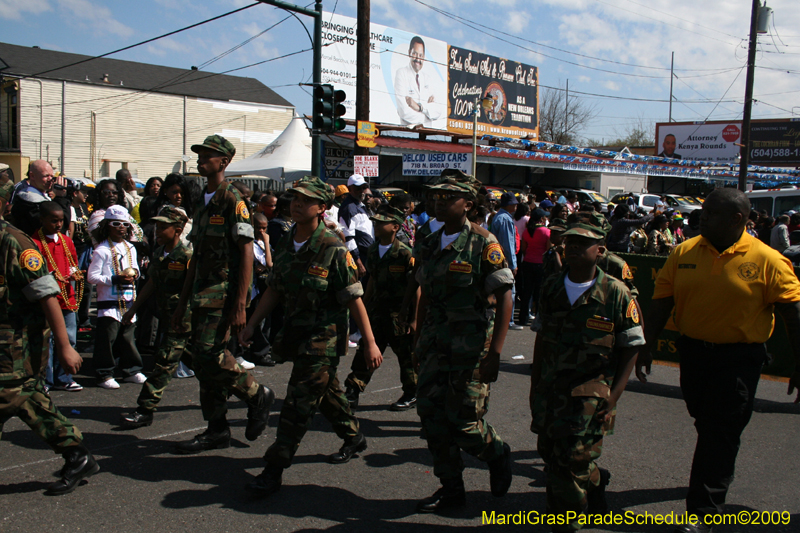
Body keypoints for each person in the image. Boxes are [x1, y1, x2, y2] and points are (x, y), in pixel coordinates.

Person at [636, 188, 800, 533]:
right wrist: (645, 346)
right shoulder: (683, 252)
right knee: (705, 421)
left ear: (736, 219)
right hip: (694, 354)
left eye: (710, 213)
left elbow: (793, 315)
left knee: (719, 431)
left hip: (739, 359)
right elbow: (660, 303)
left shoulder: (769, 259)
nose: (702, 218)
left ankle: (703, 512)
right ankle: (714, 472)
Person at [238, 176, 382, 497]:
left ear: (322, 208)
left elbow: (353, 297)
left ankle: (274, 468)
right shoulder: (289, 240)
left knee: (297, 403)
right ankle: (353, 436)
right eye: (294, 199)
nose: (297, 204)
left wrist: (370, 342)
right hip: (296, 335)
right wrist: (252, 324)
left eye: (305, 200)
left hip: (324, 340)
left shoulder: (333, 248)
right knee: (328, 393)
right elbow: (275, 288)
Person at [530, 217, 643, 531]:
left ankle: (564, 525)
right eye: (570, 243)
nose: (574, 248)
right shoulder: (552, 286)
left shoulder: (616, 293)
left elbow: (631, 346)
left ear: (601, 250)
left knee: (570, 464)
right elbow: (541, 338)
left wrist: (614, 395)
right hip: (551, 389)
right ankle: (595, 481)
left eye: (583, 244)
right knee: (552, 455)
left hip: (592, 393)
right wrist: (534, 384)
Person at [413, 170, 514, 513]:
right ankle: (451, 488)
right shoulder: (428, 241)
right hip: (433, 345)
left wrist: (495, 353)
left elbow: (505, 297)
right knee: (431, 417)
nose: (437, 203)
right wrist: (416, 333)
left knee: (465, 422)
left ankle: (497, 454)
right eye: (434, 198)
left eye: (447, 198)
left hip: (470, 349)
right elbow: (425, 291)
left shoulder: (484, 243)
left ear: (468, 205)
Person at [171, 135, 273, 454]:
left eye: (208, 155)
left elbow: (245, 252)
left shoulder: (232, 200)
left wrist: (240, 304)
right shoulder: (203, 199)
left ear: (224, 162)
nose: (201, 159)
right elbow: (196, 256)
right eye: (200, 154)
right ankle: (217, 428)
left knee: (207, 354)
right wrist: (181, 302)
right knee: (203, 364)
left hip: (224, 293)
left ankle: (256, 394)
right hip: (200, 294)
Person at [0, 209, 100, 495]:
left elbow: (47, 294)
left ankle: (77, 454)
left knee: (16, 397)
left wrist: (66, 346)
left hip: (17, 347)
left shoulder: (14, 243)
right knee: (26, 399)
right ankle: (77, 456)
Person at [115, 206, 193, 428]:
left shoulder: (187, 256)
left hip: (183, 322)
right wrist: (132, 309)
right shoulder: (159, 253)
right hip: (167, 317)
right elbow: (151, 283)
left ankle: (145, 409)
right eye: (157, 226)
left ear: (178, 230)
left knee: (164, 363)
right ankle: (252, 394)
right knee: (209, 366)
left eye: (163, 227)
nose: (157, 231)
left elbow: (195, 291)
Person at [344, 205, 418, 411]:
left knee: (406, 356)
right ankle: (353, 390)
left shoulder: (405, 253)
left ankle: (412, 392)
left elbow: (416, 288)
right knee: (366, 351)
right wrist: (364, 307)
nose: (376, 225)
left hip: (399, 314)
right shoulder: (374, 249)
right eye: (374, 222)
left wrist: (414, 318)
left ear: (395, 227)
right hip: (377, 312)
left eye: (381, 222)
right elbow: (372, 281)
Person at [87, 205, 145, 389]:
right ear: (107, 226)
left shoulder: (130, 248)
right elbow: (92, 276)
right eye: (116, 223)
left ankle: (131, 370)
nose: (121, 227)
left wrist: (134, 274)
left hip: (128, 300)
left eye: (125, 224)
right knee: (107, 339)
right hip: (109, 303)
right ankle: (104, 374)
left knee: (128, 338)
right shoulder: (102, 250)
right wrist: (114, 278)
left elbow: (136, 268)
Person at [31, 202, 83, 392]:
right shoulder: (35, 242)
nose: (58, 224)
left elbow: (73, 263)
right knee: (49, 341)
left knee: (69, 338)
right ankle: (47, 380)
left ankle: (64, 377)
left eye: (61, 220)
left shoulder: (66, 241)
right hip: (47, 300)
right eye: (54, 221)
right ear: (42, 220)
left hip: (67, 297)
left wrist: (75, 273)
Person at [490, 192, 524, 330]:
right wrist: (512, 264)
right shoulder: (505, 219)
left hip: (497, 259)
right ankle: (508, 320)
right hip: (504, 261)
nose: (516, 206)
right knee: (510, 290)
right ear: (510, 205)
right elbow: (508, 243)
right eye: (514, 203)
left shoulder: (499, 217)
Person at [394, 36, 444, 128]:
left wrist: (419, 107)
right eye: (415, 54)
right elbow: (403, 111)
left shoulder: (428, 79)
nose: (418, 59)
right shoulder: (401, 73)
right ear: (409, 53)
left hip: (426, 135)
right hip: (407, 134)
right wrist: (428, 116)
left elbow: (438, 111)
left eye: (421, 55)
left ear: (424, 57)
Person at [517, 209, 550, 324]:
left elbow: (523, 249)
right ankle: (537, 318)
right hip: (540, 264)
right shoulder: (546, 232)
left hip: (527, 263)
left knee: (527, 292)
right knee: (538, 293)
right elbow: (548, 249)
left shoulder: (527, 231)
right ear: (541, 219)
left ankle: (523, 317)